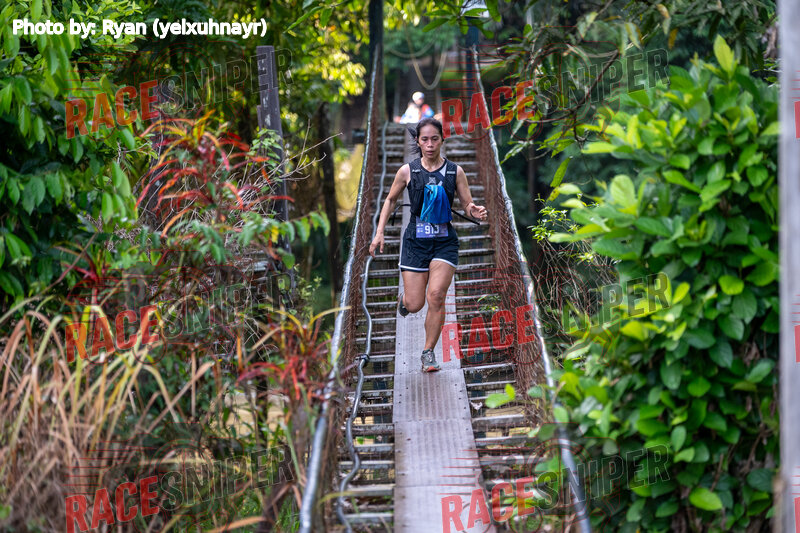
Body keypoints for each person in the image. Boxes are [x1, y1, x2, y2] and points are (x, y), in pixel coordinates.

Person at [369, 117, 488, 372]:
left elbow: (467, 203)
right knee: (415, 304)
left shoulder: (455, 171)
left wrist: (474, 209)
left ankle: (428, 353)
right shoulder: (407, 171)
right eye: (425, 139)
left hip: (444, 242)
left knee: (436, 296)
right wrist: (379, 233)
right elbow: (390, 200)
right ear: (418, 141)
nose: (430, 144)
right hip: (415, 242)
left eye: (435, 139)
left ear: (442, 139)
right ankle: (404, 300)